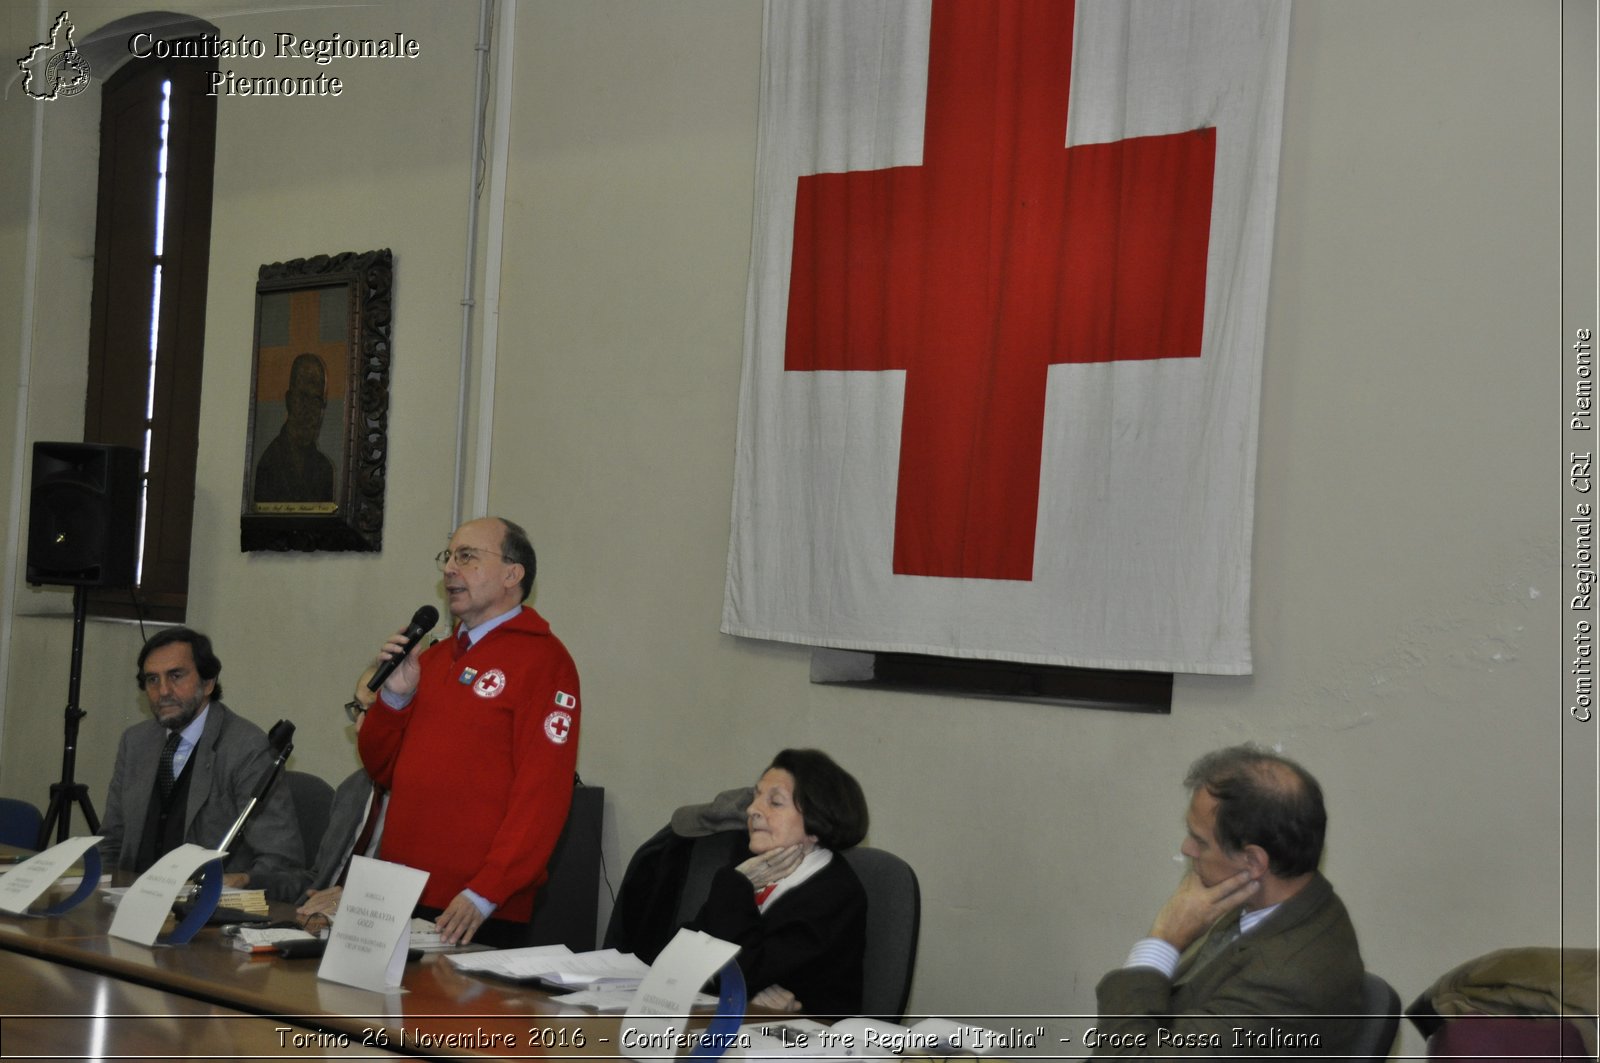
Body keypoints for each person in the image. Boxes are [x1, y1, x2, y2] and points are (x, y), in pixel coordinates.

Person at [360, 516, 581, 947]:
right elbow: (381, 769)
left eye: (467, 557)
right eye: (448, 557)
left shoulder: (544, 662)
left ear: (511, 574)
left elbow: (543, 794)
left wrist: (486, 892)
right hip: (398, 893)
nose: (449, 569)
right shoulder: (432, 659)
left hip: (474, 908)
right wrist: (395, 700)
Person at [1092, 745, 1365, 1057]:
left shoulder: (1285, 984)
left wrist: (1163, 941)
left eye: (1200, 841)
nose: (1187, 849)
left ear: (1253, 861)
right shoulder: (1279, 901)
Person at [98, 627, 304, 901]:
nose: (163, 691)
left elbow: (281, 862)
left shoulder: (246, 748)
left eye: (176, 676)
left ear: (208, 682)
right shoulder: (136, 743)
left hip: (205, 913)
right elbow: (112, 841)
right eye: (152, 680)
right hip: (129, 901)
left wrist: (240, 884)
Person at [687, 749, 869, 1017]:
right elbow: (679, 954)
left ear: (816, 820)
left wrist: (733, 885)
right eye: (756, 796)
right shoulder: (749, 868)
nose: (751, 809)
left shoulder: (835, 894)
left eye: (774, 802)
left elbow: (741, 974)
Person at [294, 665, 383, 922]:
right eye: (358, 709)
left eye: (375, 710)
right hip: (316, 921)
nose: (358, 727)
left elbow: (417, 890)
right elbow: (318, 878)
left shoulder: (426, 800)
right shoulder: (353, 788)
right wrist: (248, 881)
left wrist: (352, 900)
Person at [253, 352, 335, 503]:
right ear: (289, 400)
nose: (309, 409)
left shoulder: (325, 470)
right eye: (303, 397)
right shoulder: (269, 464)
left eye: (316, 400)